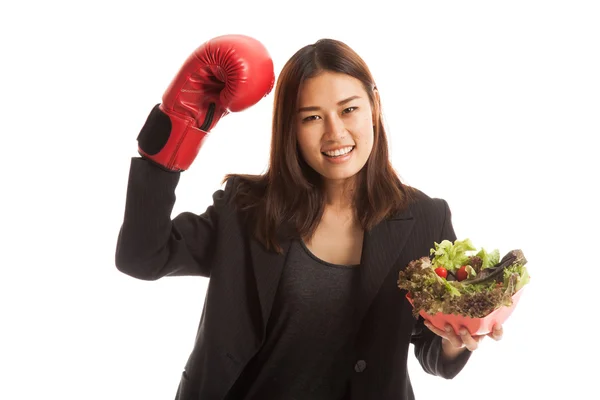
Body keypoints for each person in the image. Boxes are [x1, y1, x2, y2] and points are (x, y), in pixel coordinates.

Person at [115, 34, 504, 400]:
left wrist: (456, 338)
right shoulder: (246, 208)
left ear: (374, 106)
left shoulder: (424, 218)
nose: (335, 133)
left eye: (349, 109)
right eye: (312, 117)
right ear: (291, 128)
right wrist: (173, 135)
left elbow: (431, 350)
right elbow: (143, 257)